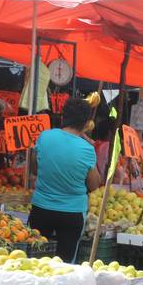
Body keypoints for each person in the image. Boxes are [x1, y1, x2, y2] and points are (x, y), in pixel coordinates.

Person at [29, 98, 101, 262]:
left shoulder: (44, 137)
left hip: (41, 209)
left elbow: (34, 169)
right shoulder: (87, 149)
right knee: (65, 265)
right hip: (72, 213)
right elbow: (94, 184)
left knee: (34, 259)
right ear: (85, 123)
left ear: (63, 117)